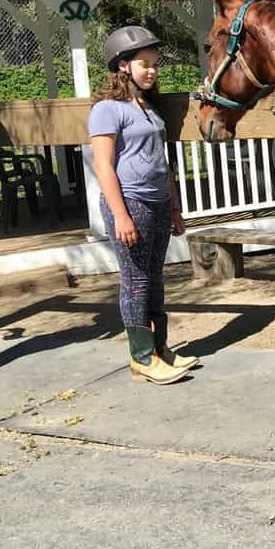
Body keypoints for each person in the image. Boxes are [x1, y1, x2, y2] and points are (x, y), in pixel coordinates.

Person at [89, 25, 196, 385]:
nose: (151, 70)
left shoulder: (148, 108)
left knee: (155, 277)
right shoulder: (107, 109)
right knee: (135, 279)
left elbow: (161, 160)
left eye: (154, 64)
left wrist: (176, 206)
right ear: (122, 65)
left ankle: (160, 348)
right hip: (130, 202)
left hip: (159, 201)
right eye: (143, 64)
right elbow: (103, 164)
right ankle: (141, 358)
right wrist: (120, 214)